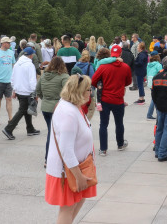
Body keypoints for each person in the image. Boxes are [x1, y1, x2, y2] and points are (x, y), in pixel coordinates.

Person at [44, 75, 96, 224]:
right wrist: (78, 176)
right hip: (69, 171)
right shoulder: (68, 113)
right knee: (67, 209)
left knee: (76, 204)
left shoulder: (73, 107)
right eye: (88, 90)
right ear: (78, 91)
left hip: (79, 167)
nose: (90, 93)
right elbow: (66, 149)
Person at [91, 44, 132, 155]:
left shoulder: (103, 67)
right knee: (119, 123)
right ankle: (120, 144)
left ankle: (103, 149)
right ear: (120, 54)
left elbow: (93, 81)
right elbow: (128, 82)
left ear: (110, 53)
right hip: (118, 99)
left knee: (103, 124)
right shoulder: (125, 67)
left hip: (105, 99)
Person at [36, 56, 69, 166]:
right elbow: (68, 92)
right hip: (58, 108)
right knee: (55, 134)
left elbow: (38, 90)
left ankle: (50, 158)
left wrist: (45, 99)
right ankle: (50, 159)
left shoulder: (44, 76)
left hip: (46, 107)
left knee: (52, 132)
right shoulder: (64, 77)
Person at [2, 47, 40, 140]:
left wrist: (14, 90)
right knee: (22, 110)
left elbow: (13, 77)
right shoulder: (30, 65)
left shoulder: (17, 63)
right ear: (31, 55)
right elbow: (32, 80)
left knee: (26, 109)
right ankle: (8, 129)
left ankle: (30, 128)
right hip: (27, 91)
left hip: (19, 90)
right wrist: (35, 92)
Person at [0, 36, 15, 126]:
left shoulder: (11, 52)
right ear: (3, 43)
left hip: (9, 80)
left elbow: (13, 65)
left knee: (9, 99)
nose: (9, 44)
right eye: (8, 43)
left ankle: (10, 118)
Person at [146, 51, 163, 120]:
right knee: (155, 98)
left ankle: (151, 114)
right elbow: (161, 73)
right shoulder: (158, 65)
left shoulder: (148, 64)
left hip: (150, 81)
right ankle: (155, 114)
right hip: (156, 82)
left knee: (154, 97)